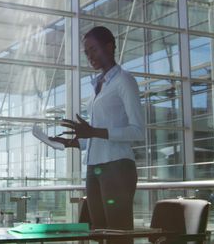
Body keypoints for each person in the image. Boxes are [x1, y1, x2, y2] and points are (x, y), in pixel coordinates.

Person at [50, 26, 144, 232]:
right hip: (94, 168)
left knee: (118, 234)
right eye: (87, 52)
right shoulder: (96, 87)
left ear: (109, 47)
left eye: (93, 49)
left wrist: (93, 132)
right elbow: (94, 136)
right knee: (99, 231)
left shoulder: (124, 81)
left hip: (117, 167)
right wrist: (71, 142)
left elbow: (138, 131)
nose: (89, 56)